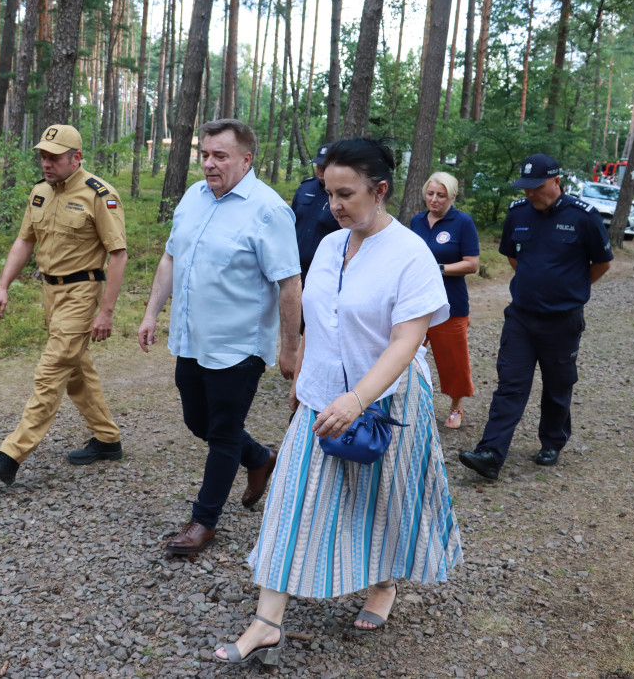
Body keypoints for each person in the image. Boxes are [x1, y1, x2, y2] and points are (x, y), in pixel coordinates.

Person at [213, 138, 463, 666]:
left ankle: (383, 585)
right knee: (290, 503)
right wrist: (302, 374)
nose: (335, 205)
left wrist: (357, 398)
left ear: (381, 190)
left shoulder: (410, 254)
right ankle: (267, 622)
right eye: (329, 193)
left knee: (386, 498)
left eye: (346, 194)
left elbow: (406, 341)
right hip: (320, 402)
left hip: (390, 404)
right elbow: (316, 318)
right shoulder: (330, 244)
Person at [137, 118, 302, 555]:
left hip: (239, 345)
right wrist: (152, 313)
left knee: (224, 432)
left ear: (246, 160)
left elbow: (289, 284)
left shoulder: (269, 211)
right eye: (205, 154)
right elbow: (171, 257)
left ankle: (203, 521)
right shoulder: (193, 197)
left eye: (220, 156)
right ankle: (260, 458)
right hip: (191, 339)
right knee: (198, 422)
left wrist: (290, 349)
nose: (209, 164)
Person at [0, 124, 128, 486]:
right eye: (43, 156)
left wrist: (106, 311)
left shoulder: (98, 195)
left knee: (52, 369)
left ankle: (10, 455)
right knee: (75, 370)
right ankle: (107, 440)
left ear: (76, 158)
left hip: (82, 292)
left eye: (54, 157)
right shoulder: (39, 192)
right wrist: (2, 287)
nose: (46, 163)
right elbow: (24, 242)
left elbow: (117, 254)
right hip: (50, 293)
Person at [458, 153, 612, 481]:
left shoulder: (584, 217)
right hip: (521, 318)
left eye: (537, 187)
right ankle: (490, 453)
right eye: (525, 187)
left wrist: (569, 288)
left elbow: (601, 263)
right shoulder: (518, 214)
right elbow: (514, 258)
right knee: (510, 385)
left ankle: (552, 441)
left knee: (558, 385)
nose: (530, 193)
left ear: (557, 181)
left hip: (562, 320)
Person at [409, 171, 480, 429]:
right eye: (430, 194)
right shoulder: (416, 221)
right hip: (417, 301)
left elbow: (472, 264)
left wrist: (439, 269)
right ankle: (409, 401)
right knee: (405, 353)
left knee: (453, 360)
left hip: (450, 303)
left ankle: (455, 406)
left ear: (451, 197)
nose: (434, 200)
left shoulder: (462, 222)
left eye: (441, 195)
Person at [291, 143, 340, 287]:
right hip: (295, 267)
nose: (320, 169)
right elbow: (291, 222)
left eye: (325, 166)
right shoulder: (305, 187)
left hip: (325, 271)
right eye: (318, 165)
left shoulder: (343, 194)